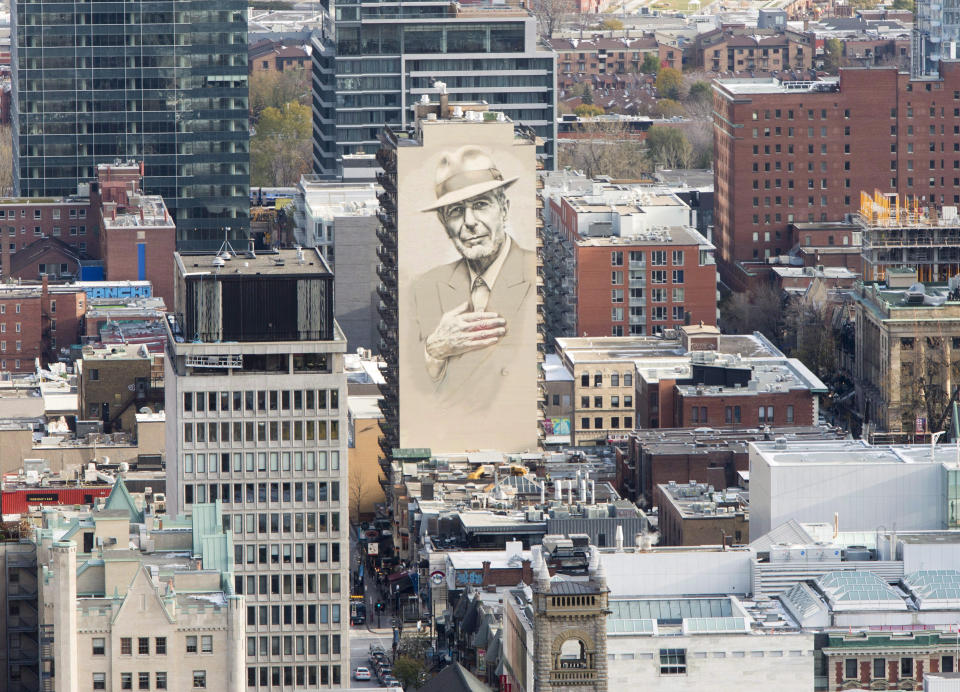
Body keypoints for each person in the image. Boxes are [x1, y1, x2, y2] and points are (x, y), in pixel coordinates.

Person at [406, 144, 535, 412]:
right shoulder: (424, 288)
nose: (469, 222)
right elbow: (416, 390)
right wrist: (434, 352)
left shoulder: (534, 274)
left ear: (504, 209)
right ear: (444, 224)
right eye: (455, 211)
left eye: (480, 205)